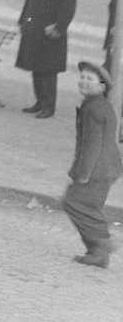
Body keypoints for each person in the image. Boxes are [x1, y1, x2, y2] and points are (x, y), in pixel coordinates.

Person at [61, 61, 122, 268]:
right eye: (83, 77)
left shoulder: (94, 108)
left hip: (98, 168)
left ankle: (103, 244)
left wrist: (84, 173)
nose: (84, 82)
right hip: (106, 167)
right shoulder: (96, 104)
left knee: (75, 202)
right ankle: (97, 253)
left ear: (102, 86)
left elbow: (93, 143)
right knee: (86, 205)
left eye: (90, 79)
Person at [16, 0, 77, 119]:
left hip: (51, 28)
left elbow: (68, 4)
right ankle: (40, 101)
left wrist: (59, 26)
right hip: (34, 27)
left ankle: (48, 106)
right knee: (35, 65)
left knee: (48, 68)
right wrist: (23, 20)